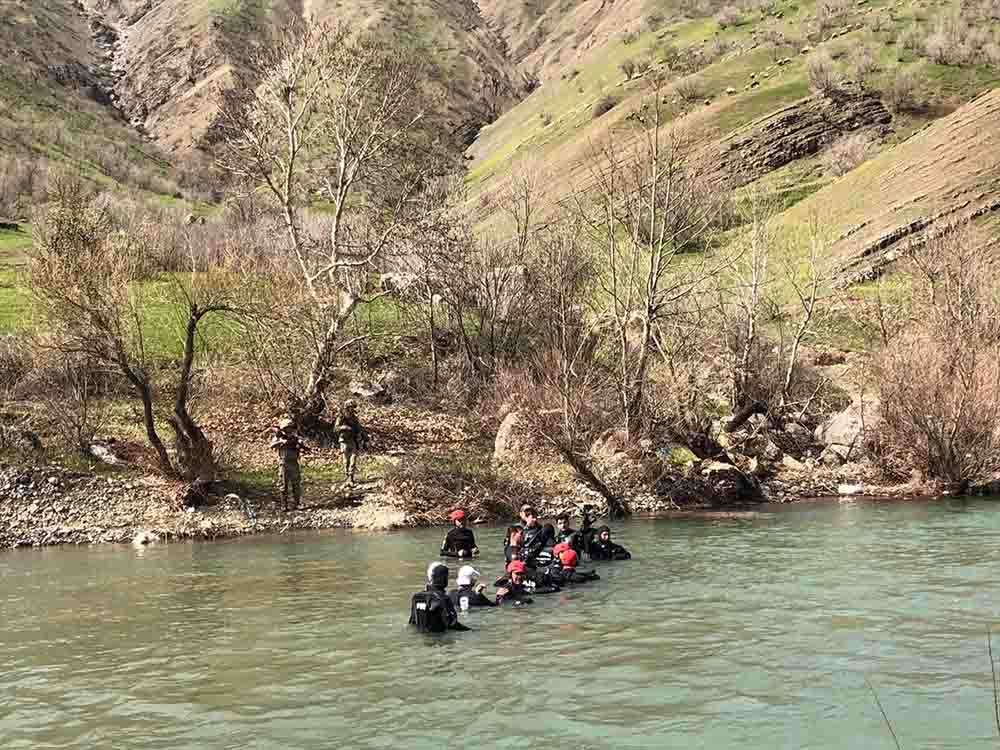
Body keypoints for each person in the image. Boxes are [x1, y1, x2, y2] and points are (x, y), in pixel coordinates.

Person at [409, 562, 470, 632]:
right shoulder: (443, 598)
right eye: (447, 577)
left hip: (421, 636)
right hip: (439, 638)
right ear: (444, 579)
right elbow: (452, 624)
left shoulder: (417, 597)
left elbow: (412, 622)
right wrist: (471, 630)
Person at [269, 418, 309, 510]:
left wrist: (300, 445)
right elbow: (271, 445)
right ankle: (284, 504)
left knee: (296, 484)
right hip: (284, 463)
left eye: (290, 427)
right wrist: (281, 442)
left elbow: (301, 445)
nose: (289, 429)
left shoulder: (295, 437)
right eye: (287, 427)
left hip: (294, 462)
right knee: (283, 485)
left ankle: (297, 503)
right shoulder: (279, 437)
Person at [334, 399, 369, 484]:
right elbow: (336, 428)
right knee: (346, 461)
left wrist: (364, 437)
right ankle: (347, 476)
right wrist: (345, 427)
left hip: (353, 440)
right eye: (351, 407)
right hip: (344, 440)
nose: (352, 409)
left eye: (353, 407)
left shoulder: (354, 418)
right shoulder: (341, 417)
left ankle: (351, 477)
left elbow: (359, 428)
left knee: (353, 459)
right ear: (347, 407)